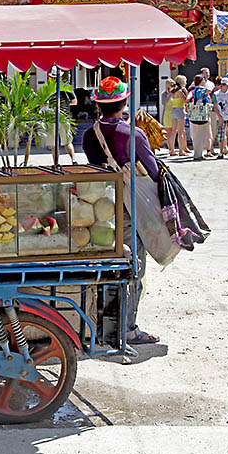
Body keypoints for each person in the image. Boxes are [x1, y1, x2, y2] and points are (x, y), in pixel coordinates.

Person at [81, 76, 158, 345]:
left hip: (99, 207)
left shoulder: (90, 135)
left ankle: (101, 324)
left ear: (98, 106)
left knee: (106, 266)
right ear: (124, 103)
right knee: (131, 266)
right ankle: (127, 329)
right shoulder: (133, 134)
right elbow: (154, 171)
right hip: (127, 208)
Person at [187, 74, 213, 161]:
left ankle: (197, 153)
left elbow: (188, 99)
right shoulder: (200, 90)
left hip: (195, 114)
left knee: (197, 135)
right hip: (202, 114)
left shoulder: (193, 90)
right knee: (201, 135)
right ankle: (198, 154)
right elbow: (209, 90)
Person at [213, 78, 228, 158]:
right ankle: (221, 152)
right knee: (220, 134)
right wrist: (219, 117)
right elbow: (215, 106)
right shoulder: (216, 94)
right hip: (221, 115)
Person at [170, 75, 189, 156]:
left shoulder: (173, 91)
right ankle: (181, 151)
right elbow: (185, 101)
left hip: (173, 110)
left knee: (173, 131)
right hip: (180, 110)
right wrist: (187, 93)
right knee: (181, 131)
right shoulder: (180, 91)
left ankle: (172, 150)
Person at [161, 78, 175, 154]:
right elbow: (164, 102)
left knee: (174, 131)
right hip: (167, 113)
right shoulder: (164, 94)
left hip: (174, 112)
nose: (172, 86)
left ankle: (173, 147)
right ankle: (170, 148)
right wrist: (169, 94)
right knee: (169, 132)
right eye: (171, 84)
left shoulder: (175, 93)